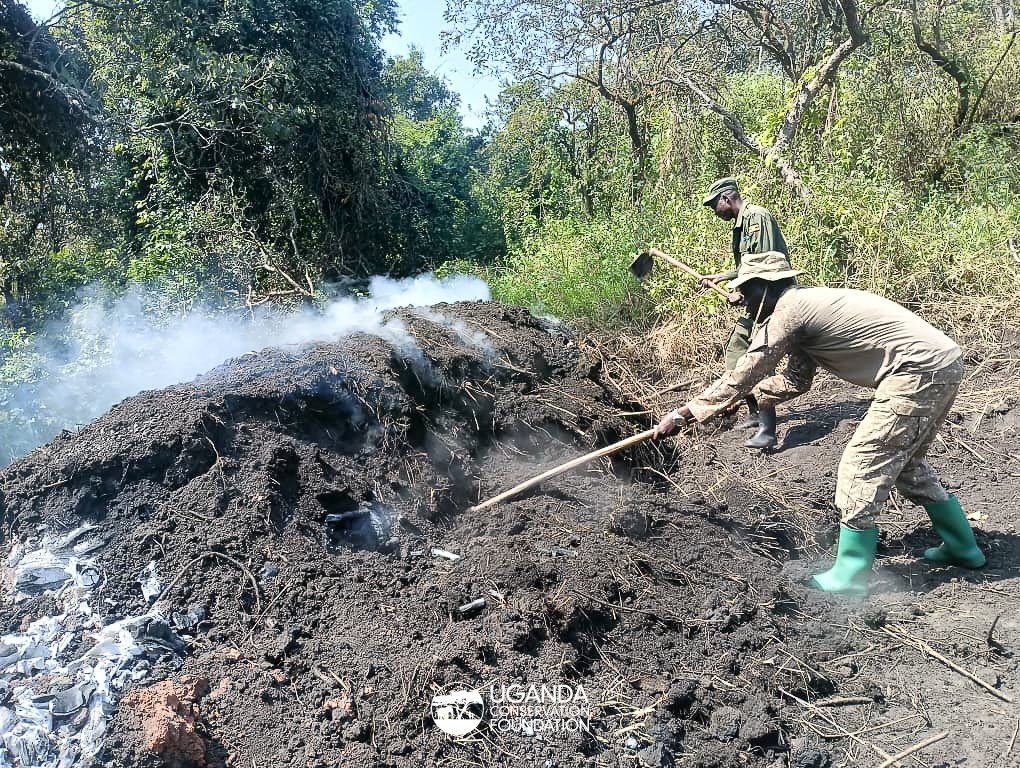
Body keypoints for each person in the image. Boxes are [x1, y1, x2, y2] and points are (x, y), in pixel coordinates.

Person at [653, 250, 986, 597]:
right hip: (940, 364)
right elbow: (796, 380)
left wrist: (684, 414)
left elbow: (743, 372)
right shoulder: (804, 308)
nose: (741, 302)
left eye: (745, 292)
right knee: (908, 464)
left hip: (915, 373)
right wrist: (746, 403)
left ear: (765, 287)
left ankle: (850, 575)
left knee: (862, 465)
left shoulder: (789, 312)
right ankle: (962, 547)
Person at [701, 177, 791, 449]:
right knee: (736, 349)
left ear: (726, 199)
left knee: (758, 357)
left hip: (770, 296)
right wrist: (724, 278)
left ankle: (767, 429)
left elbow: (765, 265)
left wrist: (741, 289)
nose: (714, 212)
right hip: (755, 297)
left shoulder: (756, 217)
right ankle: (754, 411)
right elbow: (748, 266)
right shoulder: (741, 224)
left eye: (714, 205)